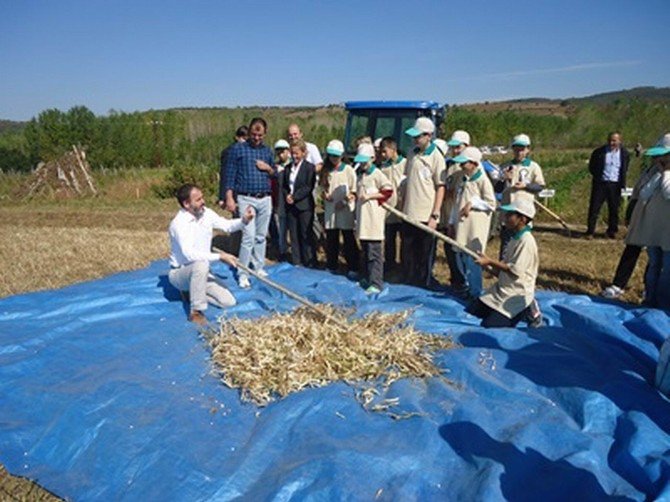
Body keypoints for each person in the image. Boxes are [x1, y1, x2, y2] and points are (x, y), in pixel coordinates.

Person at [168, 184, 254, 325]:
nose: (203, 201)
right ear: (186, 204)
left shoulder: (206, 213)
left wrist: (244, 220)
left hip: (201, 273)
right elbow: (190, 255)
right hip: (180, 274)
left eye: (202, 197)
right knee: (200, 264)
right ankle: (196, 312)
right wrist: (221, 256)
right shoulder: (178, 224)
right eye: (198, 199)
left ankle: (193, 292)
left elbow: (227, 225)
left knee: (229, 302)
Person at [468, 199, 539, 328]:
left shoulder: (526, 241)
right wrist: (487, 266)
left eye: (510, 215)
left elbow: (515, 270)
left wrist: (490, 260)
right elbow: (504, 271)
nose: (505, 218)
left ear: (522, 219)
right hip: (504, 289)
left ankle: (527, 309)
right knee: (475, 310)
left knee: (489, 327)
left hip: (516, 293)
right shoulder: (514, 238)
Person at [223, 117, 275, 289]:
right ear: (249, 132)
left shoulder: (267, 152)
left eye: (260, 135)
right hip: (246, 198)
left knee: (261, 237)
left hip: (265, 198)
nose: (256, 137)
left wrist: (267, 168)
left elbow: (274, 173)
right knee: (248, 237)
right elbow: (229, 176)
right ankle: (243, 273)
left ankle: (258, 267)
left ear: (265, 134)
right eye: (253, 134)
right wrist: (229, 197)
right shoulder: (237, 150)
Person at [623, 133, 670, 309]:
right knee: (654, 266)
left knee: (667, 269)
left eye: (663, 156)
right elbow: (644, 194)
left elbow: (668, 193)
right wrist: (659, 173)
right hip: (654, 230)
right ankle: (650, 300)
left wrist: (666, 172)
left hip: (668, 232)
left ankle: (664, 304)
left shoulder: (666, 174)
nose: (658, 159)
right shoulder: (655, 173)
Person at [401, 117, 446, 288]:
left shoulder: (436, 157)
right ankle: (408, 281)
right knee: (408, 251)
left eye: (418, 136)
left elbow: (440, 187)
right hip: (409, 212)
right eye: (414, 137)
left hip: (426, 214)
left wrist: (435, 214)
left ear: (428, 136)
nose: (415, 140)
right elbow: (407, 181)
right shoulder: (412, 153)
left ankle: (423, 284)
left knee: (424, 253)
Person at [449, 146, 496, 299]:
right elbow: (456, 203)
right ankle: (465, 287)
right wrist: (451, 221)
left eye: (464, 163)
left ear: (474, 163)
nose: (461, 166)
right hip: (462, 226)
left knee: (473, 259)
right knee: (461, 257)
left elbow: (491, 203)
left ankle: (476, 292)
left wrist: (473, 203)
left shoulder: (482, 180)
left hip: (475, 228)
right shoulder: (463, 179)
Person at [496, 134, 545, 258]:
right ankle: (503, 269)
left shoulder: (533, 167)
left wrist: (525, 186)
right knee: (506, 244)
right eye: (516, 149)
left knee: (521, 243)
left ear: (528, 149)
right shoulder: (505, 166)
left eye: (522, 149)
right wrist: (503, 179)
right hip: (507, 211)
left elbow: (540, 187)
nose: (519, 152)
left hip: (524, 212)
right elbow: (497, 189)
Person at [354, 143, 394, 294]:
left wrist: (371, 196)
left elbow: (388, 191)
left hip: (373, 220)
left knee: (374, 253)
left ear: (372, 158)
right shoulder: (360, 174)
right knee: (364, 251)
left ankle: (376, 282)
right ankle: (366, 277)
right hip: (363, 220)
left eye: (365, 161)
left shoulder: (377, 174)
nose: (363, 164)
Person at [322, 139, 359, 276]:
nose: (333, 159)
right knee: (332, 238)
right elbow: (323, 188)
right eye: (331, 155)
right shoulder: (326, 171)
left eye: (336, 156)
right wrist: (325, 195)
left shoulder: (348, 171)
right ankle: (332, 264)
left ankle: (353, 267)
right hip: (331, 210)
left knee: (348, 238)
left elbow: (354, 191)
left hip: (345, 210)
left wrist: (344, 202)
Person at [441, 130, 470, 294]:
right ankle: (456, 281)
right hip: (448, 216)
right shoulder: (450, 166)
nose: (456, 151)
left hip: (462, 218)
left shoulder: (470, 169)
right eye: (453, 148)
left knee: (462, 253)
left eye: (459, 147)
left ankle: (465, 283)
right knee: (450, 251)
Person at [585, 132, 630, 239]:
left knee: (614, 209)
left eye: (614, 140)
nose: (611, 143)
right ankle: (590, 231)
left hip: (615, 185)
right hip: (601, 184)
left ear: (620, 141)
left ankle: (612, 231)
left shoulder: (624, 153)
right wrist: (598, 176)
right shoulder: (599, 152)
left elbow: (625, 168)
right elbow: (592, 167)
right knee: (594, 208)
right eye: (610, 140)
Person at [284, 139, 317, 267]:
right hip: (291, 206)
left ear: (303, 153)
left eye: (297, 153)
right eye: (292, 153)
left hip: (304, 205)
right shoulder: (288, 168)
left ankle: (310, 261)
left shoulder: (310, 168)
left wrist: (295, 197)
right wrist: (287, 195)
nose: (294, 156)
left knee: (305, 234)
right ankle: (297, 261)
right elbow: (285, 185)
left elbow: (308, 187)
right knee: (294, 234)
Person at [379, 137, 407, 275]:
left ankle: (404, 266)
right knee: (389, 240)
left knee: (404, 240)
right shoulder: (384, 168)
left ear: (393, 149)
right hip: (388, 211)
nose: (382, 155)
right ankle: (389, 266)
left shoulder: (406, 165)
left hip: (402, 210)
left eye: (385, 151)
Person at [269, 139, 291, 261]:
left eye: (283, 151)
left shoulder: (293, 165)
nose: (281, 154)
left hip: (292, 202)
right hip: (279, 202)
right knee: (281, 228)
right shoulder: (275, 167)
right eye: (278, 152)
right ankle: (283, 252)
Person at [217, 126, 248, 207]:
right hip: (234, 191)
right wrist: (222, 196)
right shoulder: (229, 152)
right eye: (243, 139)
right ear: (237, 138)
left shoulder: (250, 152)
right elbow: (225, 174)